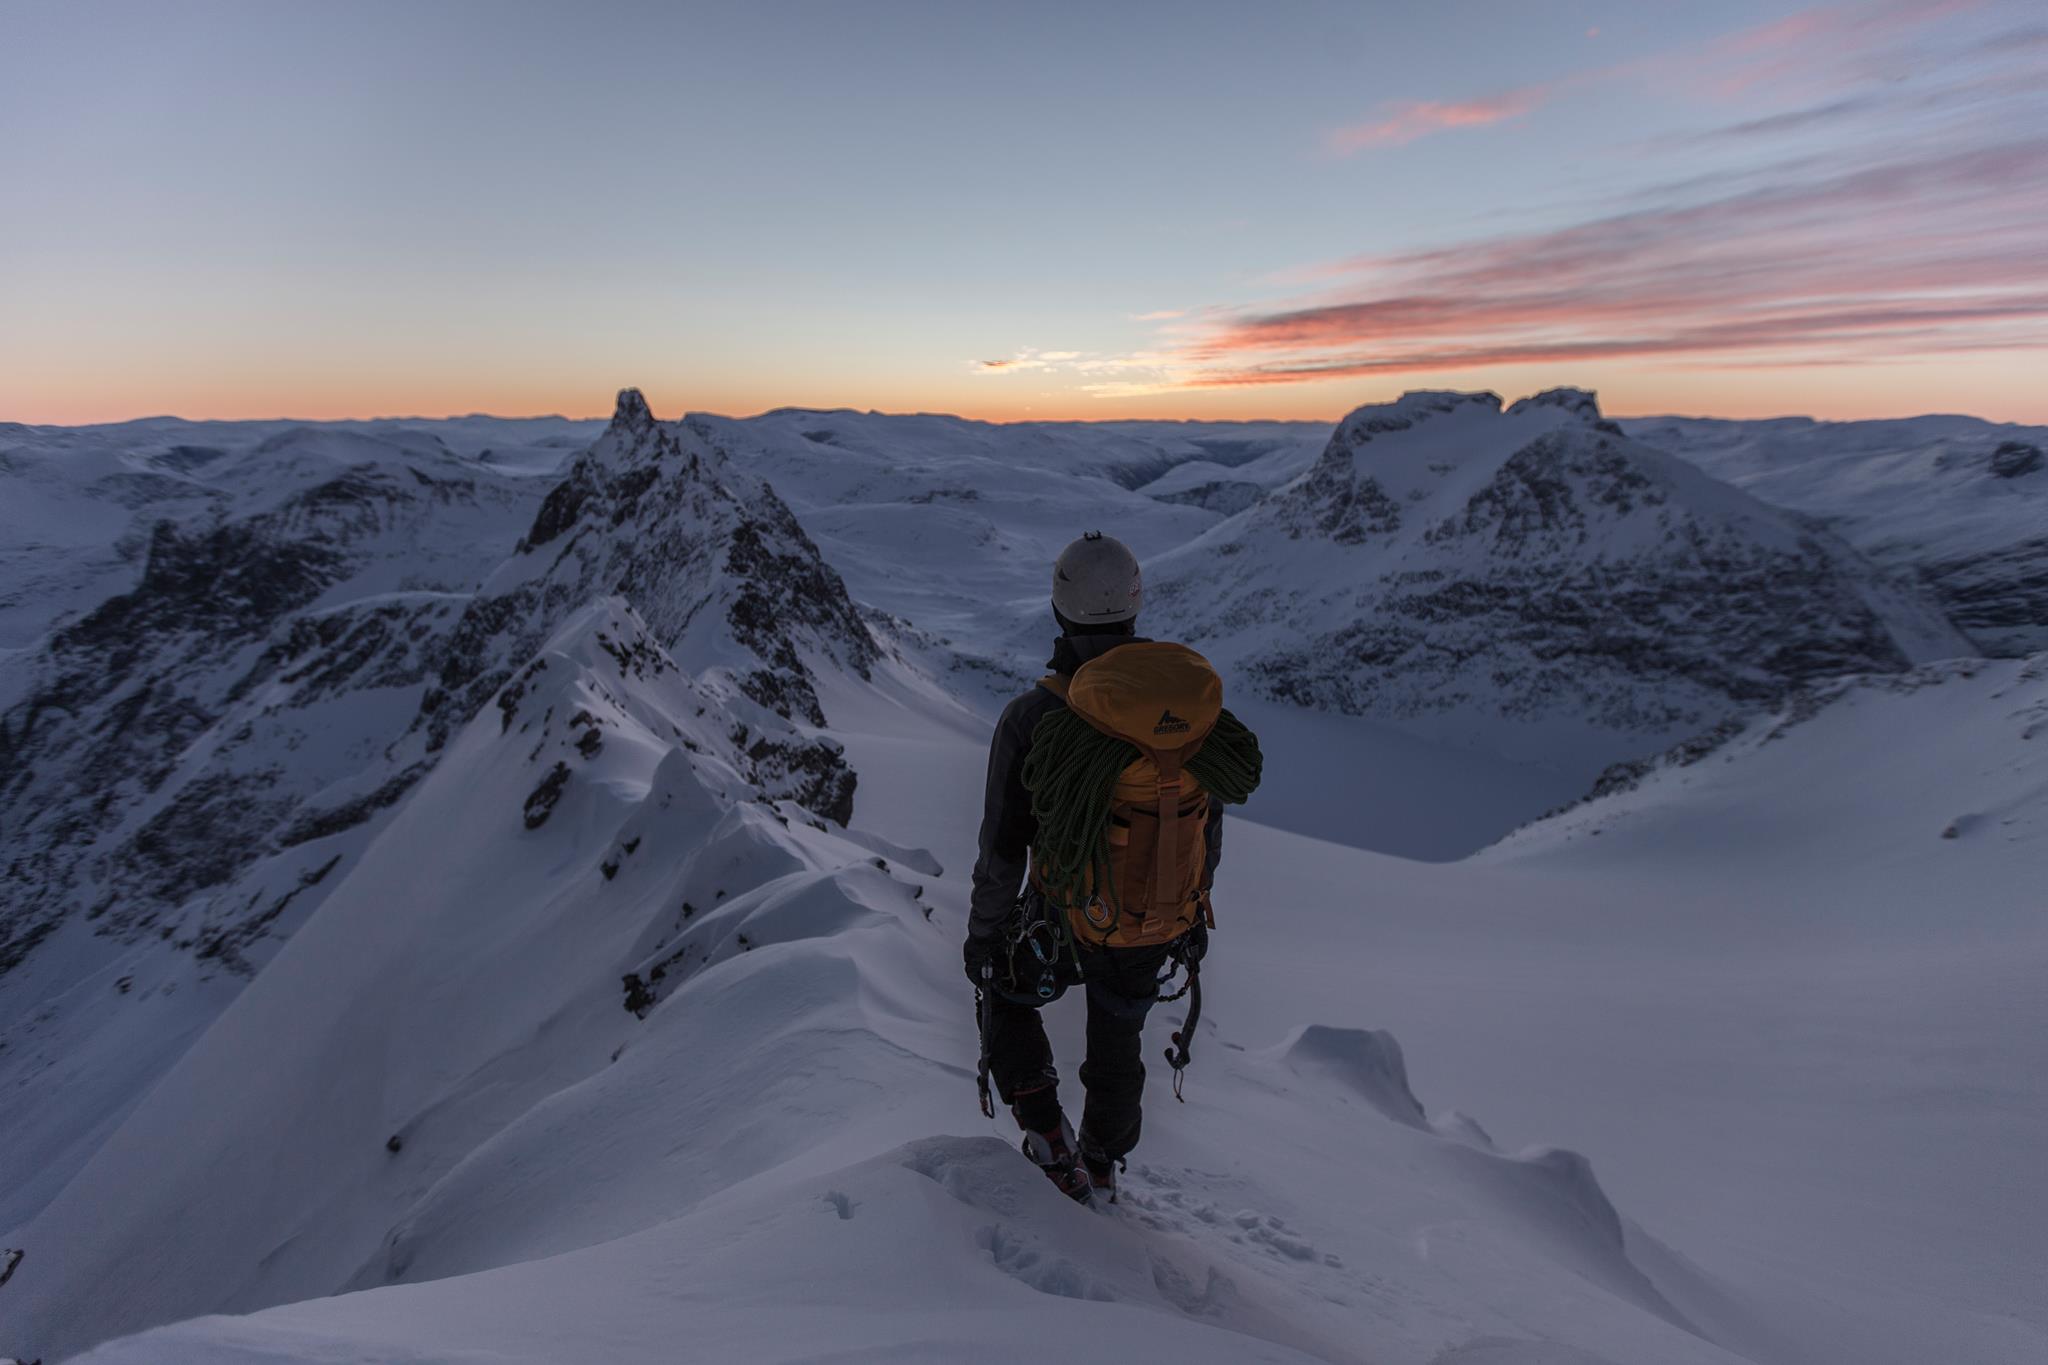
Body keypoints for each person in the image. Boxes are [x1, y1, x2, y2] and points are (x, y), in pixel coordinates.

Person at [964, 532, 1223, 1205]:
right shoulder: (1182, 715)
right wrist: (1190, 911)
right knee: (1119, 1035)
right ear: (1136, 607)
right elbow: (1206, 819)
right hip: (1153, 918)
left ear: (1059, 609)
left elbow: (1002, 847)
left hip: (1062, 917)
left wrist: (984, 938)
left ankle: (1051, 1138)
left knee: (1008, 992)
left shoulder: (1033, 718)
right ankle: (1103, 1159)